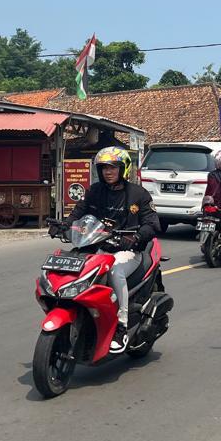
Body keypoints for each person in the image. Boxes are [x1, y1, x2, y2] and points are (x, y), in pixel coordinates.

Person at [68, 146, 160, 353]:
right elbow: (78, 212)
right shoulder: (94, 191)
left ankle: (121, 326)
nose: (108, 172)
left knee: (115, 271)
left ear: (123, 168)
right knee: (75, 267)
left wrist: (136, 237)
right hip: (98, 247)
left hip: (127, 252)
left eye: (113, 167)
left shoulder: (138, 194)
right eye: (104, 168)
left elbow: (152, 223)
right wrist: (65, 225)